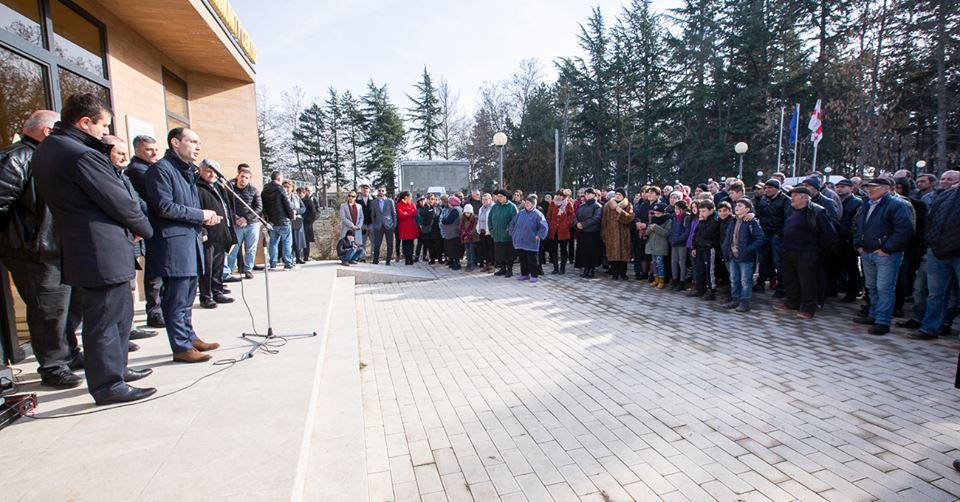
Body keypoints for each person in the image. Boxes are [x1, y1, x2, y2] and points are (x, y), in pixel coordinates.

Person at [32, 94, 155, 403]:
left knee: (117, 315)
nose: (105, 132)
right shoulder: (82, 154)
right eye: (103, 125)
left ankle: (117, 370)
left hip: (85, 245)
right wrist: (145, 228)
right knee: (105, 321)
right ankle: (108, 385)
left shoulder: (48, 148)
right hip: (101, 248)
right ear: (85, 122)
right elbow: (119, 201)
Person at [0, 109, 84, 389]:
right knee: (48, 311)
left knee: (67, 307)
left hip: (59, 247)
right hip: (35, 252)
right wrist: (24, 239)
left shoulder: (48, 158)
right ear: (48, 132)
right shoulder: (17, 157)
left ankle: (69, 354)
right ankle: (53, 366)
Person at [143, 127, 222, 364]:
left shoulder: (186, 172)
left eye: (199, 143)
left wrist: (203, 222)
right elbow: (164, 207)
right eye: (193, 141)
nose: (198, 147)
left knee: (188, 296)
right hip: (173, 244)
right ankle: (181, 346)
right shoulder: (161, 170)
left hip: (190, 240)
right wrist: (200, 215)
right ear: (175, 143)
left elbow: (189, 206)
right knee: (176, 298)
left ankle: (190, 337)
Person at [851, 178, 914, 335]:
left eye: (875, 187)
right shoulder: (866, 204)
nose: (870, 190)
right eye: (869, 187)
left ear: (887, 188)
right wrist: (859, 245)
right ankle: (873, 314)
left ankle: (883, 321)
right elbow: (857, 226)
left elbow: (904, 230)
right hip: (867, 251)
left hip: (886, 254)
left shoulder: (898, 205)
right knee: (871, 286)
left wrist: (887, 248)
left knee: (884, 288)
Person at [774, 187, 836, 319]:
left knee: (807, 281)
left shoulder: (817, 211)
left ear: (805, 197)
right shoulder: (793, 210)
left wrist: (816, 249)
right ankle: (792, 302)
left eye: (795, 195)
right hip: (789, 250)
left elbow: (829, 233)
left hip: (807, 253)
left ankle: (808, 308)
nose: (792, 198)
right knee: (791, 279)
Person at [913, 179, 960, 339]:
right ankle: (930, 328)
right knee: (935, 294)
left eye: (950, 179)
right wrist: (931, 243)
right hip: (937, 251)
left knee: (952, 294)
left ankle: (946, 324)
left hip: (956, 253)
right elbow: (931, 220)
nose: (945, 181)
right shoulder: (946, 195)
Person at [126, 134, 164, 327]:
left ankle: (159, 309)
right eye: (149, 149)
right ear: (138, 150)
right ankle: (155, 311)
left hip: (150, 225)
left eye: (156, 149)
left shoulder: (149, 168)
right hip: (145, 227)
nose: (154, 153)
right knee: (154, 272)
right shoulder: (137, 170)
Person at [196, 159, 237, 309]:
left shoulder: (219, 186)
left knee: (218, 265)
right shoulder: (197, 187)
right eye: (209, 171)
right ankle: (206, 296)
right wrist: (202, 229)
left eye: (215, 172)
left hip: (221, 231)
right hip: (208, 233)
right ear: (200, 170)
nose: (212, 174)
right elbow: (196, 210)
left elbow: (226, 208)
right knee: (207, 267)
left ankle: (217, 291)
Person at [721, 199, 765, 312]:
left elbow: (760, 239)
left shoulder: (751, 222)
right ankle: (735, 300)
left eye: (740, 206)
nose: (737, 207)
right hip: (732, 255)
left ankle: (745, 303)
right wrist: (726, 250)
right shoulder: (733, 221)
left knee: (745, 280)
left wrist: (747, 250)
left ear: (747, 209)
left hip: (746, 257)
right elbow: (728, 237)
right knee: (734, 279)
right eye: (736, 205)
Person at [226, 166, 262, 279]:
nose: (244, 179)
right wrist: (236, 218)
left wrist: (246, 218)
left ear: (249, 179)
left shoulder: (254, 190)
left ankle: (248, 270)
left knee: (251, 249)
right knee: (234, 248)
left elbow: (258, 208)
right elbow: (227, 206)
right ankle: (228, 271)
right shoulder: (230, 189)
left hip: (252, 223)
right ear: (238, 176)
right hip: (236, 223)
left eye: (247, 178)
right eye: (242, 177)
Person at [756, 179, 789, 298]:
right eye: (765, 188)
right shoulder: (763, 199)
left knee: (778, 263)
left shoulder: (785, 200)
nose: (767, 190)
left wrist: (779, 234)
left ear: (777, 188)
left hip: (777, 236)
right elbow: (759, 215)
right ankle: (760, 284)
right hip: (764, 233)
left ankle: (781, 288)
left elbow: (788, 220)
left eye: (770, 188)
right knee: (763, 261)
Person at [835, 179, 864, 302]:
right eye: (837, 187)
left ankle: (852, 292)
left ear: (851, 188)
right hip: (836, 238)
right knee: (835, 265)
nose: (839, 189)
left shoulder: (857, 202)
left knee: (851, 267)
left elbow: (857, 223)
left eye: (842, 187)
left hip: (849, 239)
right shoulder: (835, 200)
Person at [261, 171, 295, 270]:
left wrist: (267, 219)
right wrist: (292, 215)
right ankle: (288, 263)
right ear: (279, 178)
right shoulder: (281, 189)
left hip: (271, 221)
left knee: (273, 243)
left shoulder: (264, 191)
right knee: (286, 242)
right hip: (283, 220)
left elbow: (263, 207)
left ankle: (273, 263)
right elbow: (287, 204)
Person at [509, 195, 548, 282]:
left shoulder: (537, 214)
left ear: (533, 204)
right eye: (526, 203)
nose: (526, 204)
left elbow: (544, 226)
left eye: (529, 203)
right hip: (520, 241)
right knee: (523, 259)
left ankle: (534, 275)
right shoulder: (521, 213)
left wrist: (539, 235)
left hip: (531, 241)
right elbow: (512, 223)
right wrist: (512, 233)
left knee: (532, 260)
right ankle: (524, 274)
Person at [688, 200, 720, 300]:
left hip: (709, 248)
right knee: (699, 269)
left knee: (709, 271)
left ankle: (711, 291)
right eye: (700, 211)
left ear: (711, 210)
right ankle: (700, 289)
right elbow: (695, 234)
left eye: (703, 211)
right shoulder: (702, 220)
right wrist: (694, 247)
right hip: (699, 248)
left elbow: (707, 233)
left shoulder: (715, 220)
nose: (701, 213)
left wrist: (702, 221)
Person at [574, 188, 603, 278]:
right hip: (583, 233)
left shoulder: (597, 206)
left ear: (594, 195)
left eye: (590, 193)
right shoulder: (582, 205)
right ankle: (586, 269)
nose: (587, 195)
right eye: (586, 193)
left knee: (592, 252)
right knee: (584, 252)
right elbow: (575, 216)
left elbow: (596, 218)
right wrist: (577, 223)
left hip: (592, 233)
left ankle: (591, 270)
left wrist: (583, 224)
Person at [489, 190, 518, 277]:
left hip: (507, 236)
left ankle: (509, 270)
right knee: (499, 254)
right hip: (497, 235)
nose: (499, 198)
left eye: (501, 196)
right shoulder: (495, 207)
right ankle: (502, 269)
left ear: (506, 197)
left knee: (509, 254)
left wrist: (509, 230)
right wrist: (492, 230)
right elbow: (490, 219)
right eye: (498, 196)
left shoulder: (511, 207)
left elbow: (515, 221)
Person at [545, 190, 574, 274]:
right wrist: (550, 224)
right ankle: (555, 268)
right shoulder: (552, 203)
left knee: (563, 249)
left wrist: (566, 224)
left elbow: (571, 216)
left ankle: (562, 268)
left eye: (561, 195)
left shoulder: (568, 204)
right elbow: (548, 215)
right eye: (557, 195)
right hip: (554, 230)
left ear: (564, 196)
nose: (558, 197)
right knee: (554, 250)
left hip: (563, 230)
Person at [645, 202, 672, 288]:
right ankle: (655, 279)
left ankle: (661, 280)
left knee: (660, 263)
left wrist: (656, 227)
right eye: (655, 213)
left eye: (658, 213)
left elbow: (666, 233)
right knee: (654, 263)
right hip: (652, 246)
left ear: (663, 213)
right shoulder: (653, 219)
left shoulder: (668, 220)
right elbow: (647, 233)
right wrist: (650, 228)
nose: (656, 215)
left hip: (661, 246)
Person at [369, 186, 397, 265]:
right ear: (378, 192)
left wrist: (394, 225)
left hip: (389, 225)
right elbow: (373, 215)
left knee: (390, 244)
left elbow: (394, 214)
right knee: (377, 244)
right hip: (378, 226)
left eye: (382, 190)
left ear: (385, 192)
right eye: (379, 190)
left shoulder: (390, 201)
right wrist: (374, 225)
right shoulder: (374, 202)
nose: (381, 192)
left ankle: (388, 261)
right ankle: (375, 260)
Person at [667, 201, 691, 290]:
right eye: (675, 208)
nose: (676, 210)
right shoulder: (674, 217)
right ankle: (674, 280)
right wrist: (671, 239)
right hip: (674, 243)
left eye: (678, 208)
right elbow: (671, 230)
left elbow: (686, 232)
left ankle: (682, 282)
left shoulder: (686, 217)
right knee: (673, 262)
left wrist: (677, 240)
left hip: (682, 244)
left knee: (682, 262)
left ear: (683, 209)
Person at [440, 195, 464, 269]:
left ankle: (456, 264)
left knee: (454, 249)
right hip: (454, 232)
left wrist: (443, 220)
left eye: (449, 203)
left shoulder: (455, 210)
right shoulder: (459, 208)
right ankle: (454, 263)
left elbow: (448, 220)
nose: (448, 204)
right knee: (453, 249)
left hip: (453, 232)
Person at [396, 191, 419, 265]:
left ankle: (411, 258)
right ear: (406, 197)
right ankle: (407, 258)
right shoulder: (399, 204)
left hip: (411, 226)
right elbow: (401, 215)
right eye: (410, 197)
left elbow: (415, 212)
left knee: (411, 243)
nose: (411, 198)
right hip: (404, 227)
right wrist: (409, 213)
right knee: (405, 243)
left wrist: (406, 213)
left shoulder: (411, 204)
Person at [286, 182, 306, 264]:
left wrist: (296, 211)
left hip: (296, 221)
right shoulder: (281, 196)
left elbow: (303, 208)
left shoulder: (296, 197)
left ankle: (298, 257)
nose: (286, 188)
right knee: (288, 241)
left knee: (298, 240)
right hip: (286, 220)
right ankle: (288, 259)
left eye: (288, 187)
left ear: (292, 188)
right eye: (284, 186)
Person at [418, 194, 442, 264]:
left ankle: (439, 259)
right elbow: (422, 214)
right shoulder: (425, 207)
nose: (431, 201)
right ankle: (432, 259)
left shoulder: (438, 207)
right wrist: (427, 206)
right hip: (428, 230)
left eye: (432, 199)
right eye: (429, 199)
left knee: (438, 246)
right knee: (430, 246)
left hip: (436, 229)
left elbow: (438, 215)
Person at [476, 193, 495, 272]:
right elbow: (479, 219)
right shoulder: (481, 208)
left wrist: (491, 230)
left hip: (490, 232)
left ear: (490, 199)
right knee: (485, 249)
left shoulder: (493, 208)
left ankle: (492, 265)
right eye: (483, 200)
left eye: (486, 199)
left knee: (491, 249)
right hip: (482, 231)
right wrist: (478, 228)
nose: (484, 201)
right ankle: (487, 264)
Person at [301, 186, 318, 261]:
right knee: (302, 239)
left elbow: (317, 211)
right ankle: (301, 256)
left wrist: (312, 220)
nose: (308, 192)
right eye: (307, 190)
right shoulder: (302, 199)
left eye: (309, 190)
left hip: (309, 222)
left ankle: (306, 256)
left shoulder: (314, 199)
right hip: (302, 221)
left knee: (307, 239)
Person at [460, 204, 478, 271]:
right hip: (465, 237)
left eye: (469, 213)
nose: (467, 214)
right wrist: (464, 233)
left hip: (472, 237)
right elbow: (461, 227)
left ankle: (472, 264)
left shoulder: (474, 218)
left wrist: (468, 234)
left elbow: (474, 228)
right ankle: (468, 263)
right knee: (467, 251)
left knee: (471, 251)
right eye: (466, 212)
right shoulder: (463, 218)